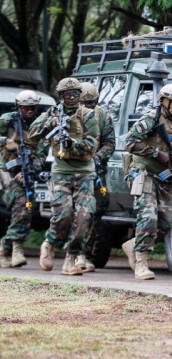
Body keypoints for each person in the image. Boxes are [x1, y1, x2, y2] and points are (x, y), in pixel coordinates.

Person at [28, 77, 99, 276]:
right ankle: (50, 242)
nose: (71, 98)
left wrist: (71, 144)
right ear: (61, 96)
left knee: (84, 216)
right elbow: (31, 134)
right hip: (61, 172)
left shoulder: (88, 115)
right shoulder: (52, 113)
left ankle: (71, 258)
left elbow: (92, 144)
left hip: (85, 171)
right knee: (63, 214)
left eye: (75, 94)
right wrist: (49, 124)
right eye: (67, 95)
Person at [121, 84, 172, 280]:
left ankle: (133, 244)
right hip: (143, 173)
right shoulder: (151, 119)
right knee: (148, 216)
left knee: (168, 222)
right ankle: (141, 262)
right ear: (165, 101)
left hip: (165, 177)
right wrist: (155, 153)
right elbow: (130, 142)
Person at [0, 90, 46, 268]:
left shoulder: (39, 126)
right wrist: (6, 141)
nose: (30, 110)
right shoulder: (7, 120)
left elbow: (42, 156)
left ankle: (5, 247)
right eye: (26, 107)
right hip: (4, 169)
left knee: (25, 208)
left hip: (25, 172)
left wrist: (29, 169)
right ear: (19, 107)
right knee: (21, 205)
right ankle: (15, 248)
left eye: (33, 107)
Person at [75, 82, 115, 272]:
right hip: (72, 169)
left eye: (92, 103)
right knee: (73, 211)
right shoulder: (69, 116)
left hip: (96, 170)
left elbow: (109, 143)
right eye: (85, 103)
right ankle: (71, 251)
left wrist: (98, 156)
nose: (89, 107)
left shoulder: (103, 115)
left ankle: (85, 252)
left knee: (97, 208)